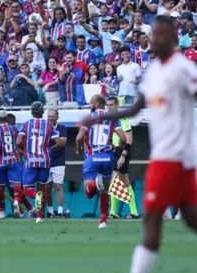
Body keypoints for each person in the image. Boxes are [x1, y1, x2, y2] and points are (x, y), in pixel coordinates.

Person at [83, 16, 197, 273]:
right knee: (193, 219)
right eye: (153, 34)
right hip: (171, 155)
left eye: (162, 34)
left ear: (173, 38)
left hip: (174, 156)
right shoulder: (153, 72)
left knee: (152, 217)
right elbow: (134, 109)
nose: (156, 39)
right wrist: (96, 118)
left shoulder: (184, 68)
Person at [76, 94, 125, 229]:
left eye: (91, 102)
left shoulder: (89, 118)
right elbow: (123, 138)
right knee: (105, 191)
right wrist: (119, 147)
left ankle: (94, 185)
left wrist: (79, 150)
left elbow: (79, 138)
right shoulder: (112, 118)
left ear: (97, 103)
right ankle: (103, 221)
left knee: (88, 193)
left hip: (92, 157)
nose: (90, 104)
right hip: (107, 157)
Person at [16, 101, 66, 223]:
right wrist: (60, 142)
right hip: (45, 161)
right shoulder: (49, 126)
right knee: (42, 189)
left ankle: (35, 197)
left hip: (31, 161)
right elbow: (60, 142)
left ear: (32, 112)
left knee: (28, 189)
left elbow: (18, 142)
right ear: (43, 112)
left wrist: (21, 148)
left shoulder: (26, 125)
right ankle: (39, 217)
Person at [106, 97, 139, 219]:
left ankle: (113, 212)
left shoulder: (122, 118)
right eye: (108, 105)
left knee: (114, 182)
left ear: (117, 105)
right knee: (125, 183)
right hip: (115, 152)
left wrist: (123, 155)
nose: (109, 107)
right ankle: (134, 212)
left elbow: (129, 139)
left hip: (121, 152)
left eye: (111, 105)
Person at [46, 109, 67, 218]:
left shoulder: (62, 128)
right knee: (47, 188)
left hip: (58, 161)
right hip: (46, 161)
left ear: (57, 117)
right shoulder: (44, 127)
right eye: (49, 116)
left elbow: (62, 143)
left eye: (53, 116)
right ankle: (50, 212)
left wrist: (50, 149)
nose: (50, 118)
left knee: (58, 186)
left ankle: (59, 212)